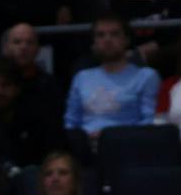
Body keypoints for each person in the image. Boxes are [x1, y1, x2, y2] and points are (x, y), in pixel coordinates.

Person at [64, 16, 156, 150]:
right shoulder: (81, 77)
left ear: (126, 39)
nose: (107, 39)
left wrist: (111, 136)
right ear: (94, 42)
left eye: (114, 34)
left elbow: (148, 122)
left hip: (128, 148)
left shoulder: (146, 76)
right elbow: (70, 123)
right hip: (85, 150)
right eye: (101, 35)